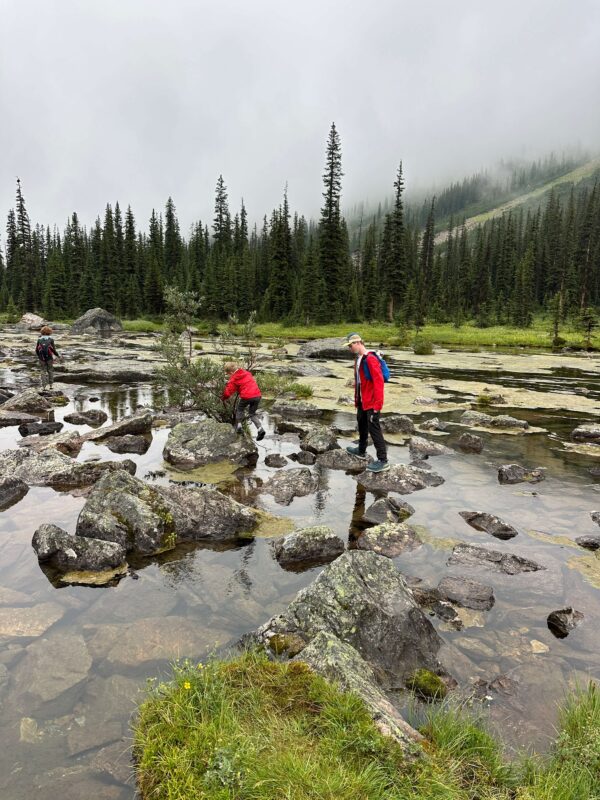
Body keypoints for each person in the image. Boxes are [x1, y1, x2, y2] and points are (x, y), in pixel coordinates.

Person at [344, 332, 389, 472]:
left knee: (374, 428)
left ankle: (383, 460)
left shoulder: (370, 359)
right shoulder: (358, 359)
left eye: (350, 345)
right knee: (361, 423)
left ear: (358, 343)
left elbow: (379, 382)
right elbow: (361, 380)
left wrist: (377, 405)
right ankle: (361, 450)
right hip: (363, 400)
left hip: (372, 401)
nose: (349, 348)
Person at [222, 362, 266, 440]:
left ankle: (239, 427)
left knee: (240, 409)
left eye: (228, 374)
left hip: (246, 396)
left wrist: (223, 398)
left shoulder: (234, 378)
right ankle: (260, 429)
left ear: (231, 372)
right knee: (252, 414)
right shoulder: (247, 373)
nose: (229, 375)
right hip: (257, 395)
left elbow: (229, 391)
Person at [35, 325, 61, 390]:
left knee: (43, 371)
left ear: (42, 332)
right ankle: (51, 385)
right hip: (49, 357)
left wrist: (39, 356)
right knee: (50, 370)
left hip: (41, 358)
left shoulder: (39, 340)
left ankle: (43, 386)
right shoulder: (51, 339)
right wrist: (58, 355)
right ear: (50, 332)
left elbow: (36, 350)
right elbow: (53, 349)